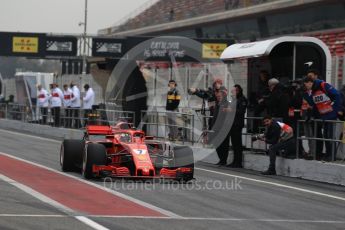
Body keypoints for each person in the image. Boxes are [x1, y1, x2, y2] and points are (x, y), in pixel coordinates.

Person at [303, 76, 341, 161]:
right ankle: (328, 155)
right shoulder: (313, 91)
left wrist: (335, 111)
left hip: (331, 115)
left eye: (306, 85)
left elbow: (337, 95)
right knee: (326, 135)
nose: (306, 87)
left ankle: (331, 156)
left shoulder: (323, 85)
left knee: (329, 135)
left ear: (310, 82)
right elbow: (314, 104)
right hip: (324, 116)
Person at [227, 84, 248, 168]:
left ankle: (238, 162)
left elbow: (241, 111)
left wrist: (231, 110)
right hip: (233, 123)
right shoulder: (235, 99)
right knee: (234, 144)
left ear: (238, 91)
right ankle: (235, 161)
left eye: (234, 91)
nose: (233, 92)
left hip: (237, 124)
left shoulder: (242, 99)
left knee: (237, 143)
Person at [211, 86, 232, 166]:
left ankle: (223, 160)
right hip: (216, 127)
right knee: (216, 143)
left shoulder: (227, 103)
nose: (218, 97)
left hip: (224, 128)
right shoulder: (217, 103)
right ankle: (221, 159)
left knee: (224, 144)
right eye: (218, 96)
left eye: (220, 95)